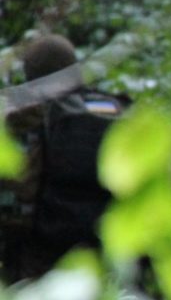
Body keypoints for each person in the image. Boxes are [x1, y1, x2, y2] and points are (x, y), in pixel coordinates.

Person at [0, 34, 127, 282]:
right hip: (106, 250)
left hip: (43, 255)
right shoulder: (112, 108)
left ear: (32, 74)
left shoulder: (25, 117)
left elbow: (15, 193)